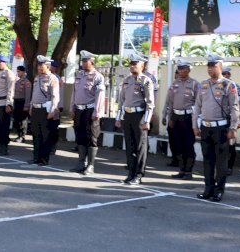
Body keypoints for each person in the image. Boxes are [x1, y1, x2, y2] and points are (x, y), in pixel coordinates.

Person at [192, 53, 239, 202]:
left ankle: (219, 190)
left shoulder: (228, 85)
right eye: (209, 66)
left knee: (221, 162)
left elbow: (234, 108)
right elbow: (197, 106)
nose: (211, 69)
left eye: (214, 66)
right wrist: (195, 125)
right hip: (206, 128)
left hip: (221, 129)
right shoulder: (204, 84)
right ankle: (208, 189)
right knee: (207, 160)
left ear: (220, 67)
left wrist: (233, 128)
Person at [115, 51, 154, 185]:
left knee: (140, 147)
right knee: (130, 146)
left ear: (142, 65)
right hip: (128, 115)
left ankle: (138, 174)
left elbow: (150, 103)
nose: (132, 66)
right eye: (131, 64)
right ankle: (130, 173)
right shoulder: (127, 80)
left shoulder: (146, 81)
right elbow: (121, 101)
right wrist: (118, 117)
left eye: (135, 64)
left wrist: (146, 121)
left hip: (139, 116)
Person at [70, 50, 106, 176]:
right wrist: (71, 108)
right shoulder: (78, 75)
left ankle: (90, 165)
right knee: (80, 135)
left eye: (86, 61)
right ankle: (81, 163)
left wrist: (97, 112)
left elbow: (100, 96)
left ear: (92, 62)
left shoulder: (98, 77)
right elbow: (74, 93)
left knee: (91, 137)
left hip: (90, 110)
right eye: (83, 61)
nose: (84, 63)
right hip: (78, 110)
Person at [163, 59, 200, 180]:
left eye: (184, 69)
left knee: (188, 145)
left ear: (188, 70)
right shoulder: (174, 84)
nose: (182, 71)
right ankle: (181, 169)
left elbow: (198, 103)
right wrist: (170, 118)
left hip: (188, 117)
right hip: (176, 117)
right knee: (178, 144)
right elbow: (170, 102)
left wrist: (196, 122)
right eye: (180, 69)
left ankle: (188, 171)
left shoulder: (195, 84)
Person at [29, 55, 60, 165]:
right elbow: (34, 93)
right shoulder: (37, 78)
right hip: (36, 109)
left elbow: (55, 96)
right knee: (36, 134)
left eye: (42, 65)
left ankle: (44, 158)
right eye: (38, 65)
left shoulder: (52, 78)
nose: (39, 67)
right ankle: (36, 157)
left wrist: (52, 110)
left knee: (45, 135)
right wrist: (31, 106)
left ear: (48, 66)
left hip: (45, 110)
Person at [0, 54, 16, 155]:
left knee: (4, 126)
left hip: (3, 103)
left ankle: (4, 147)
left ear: (4, 63)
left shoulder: (9, 73)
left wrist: (9, 104)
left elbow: (11, 90)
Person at [222, 66, 240, 175]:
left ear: (229, 75)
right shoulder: (215, 86)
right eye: (223, 73)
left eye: (226, 74)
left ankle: (229, 167)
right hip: (219, 121)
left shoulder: (236, 87)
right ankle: (220, 166)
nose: (225, 76)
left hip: (232, 120)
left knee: (230, 145)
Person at [48, 60, 64, 155]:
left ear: (54, 68)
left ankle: (53, 147)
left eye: (51, 66)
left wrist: (60, 106)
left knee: (53, 128)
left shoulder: (57, 79)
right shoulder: (45, 77)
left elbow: (60, 94)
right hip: (46, 107)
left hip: (55, 107)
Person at [12, 65, 32, 143]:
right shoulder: (17, 81)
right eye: (17, 71)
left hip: (23, 103)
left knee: (23, 120)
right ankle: (18, 135)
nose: (18, 73)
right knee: (16, 120)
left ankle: (22, 136)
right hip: (17, 102)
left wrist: (26, 105)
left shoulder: (27, 82)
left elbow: (28, 95)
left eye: (19, 71)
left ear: (23, 72)